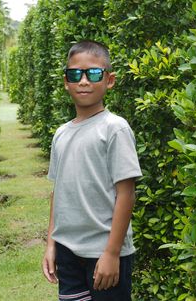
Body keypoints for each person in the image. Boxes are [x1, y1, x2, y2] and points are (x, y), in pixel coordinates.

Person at [42, 40, 142, 301]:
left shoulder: (114, 129)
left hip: (104, 251)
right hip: (67, 251)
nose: (83, 81)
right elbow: (58, 192)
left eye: (93, 73)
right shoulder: (61, 134)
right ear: (66, 81)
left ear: (109, 80)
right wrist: (51, 243)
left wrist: (111, 253)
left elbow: (126, 194)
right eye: (75, 74)